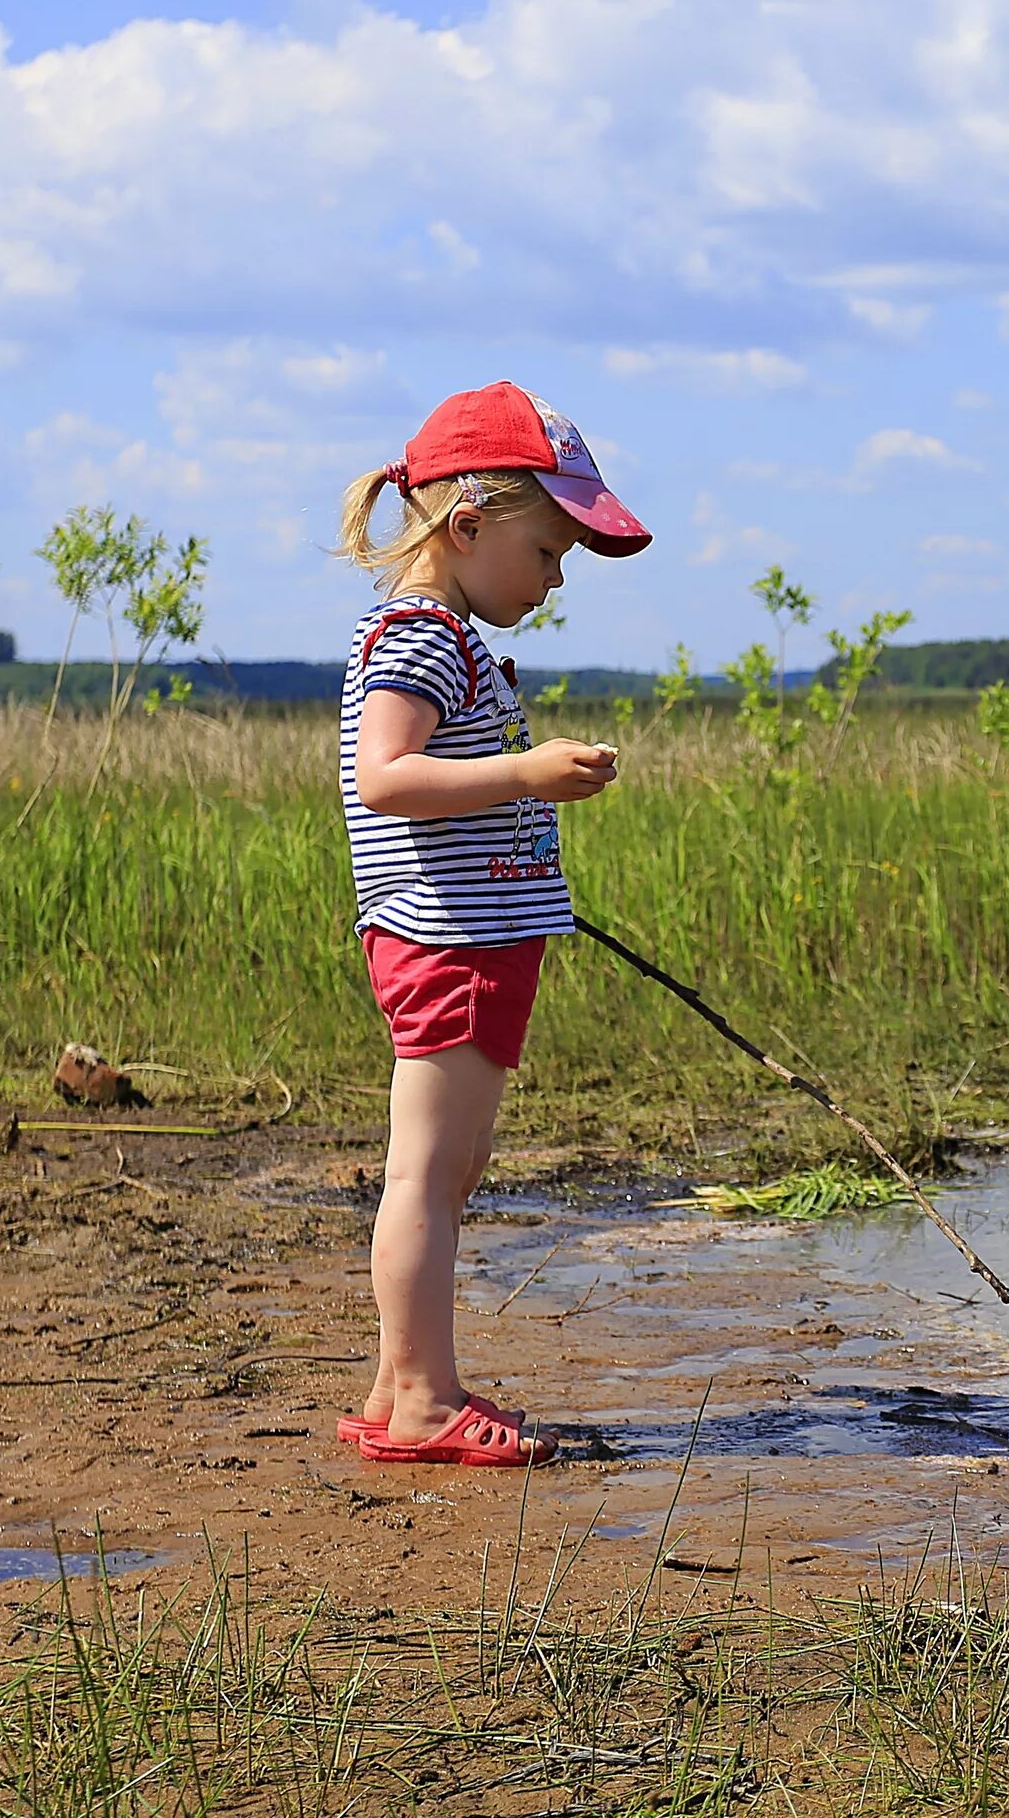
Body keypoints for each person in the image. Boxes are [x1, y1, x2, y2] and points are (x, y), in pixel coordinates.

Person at [328, 381, 650, 1466]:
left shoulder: (450, 637)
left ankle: (395, 1383)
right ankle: (420, 1396)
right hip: (447, 942)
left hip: (476, 938)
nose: (556, 580)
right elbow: (385, 775)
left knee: (449, 1168)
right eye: (549, 551)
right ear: (467, 527)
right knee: (426, 1171)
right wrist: (527, 770)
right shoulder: (421, 637)